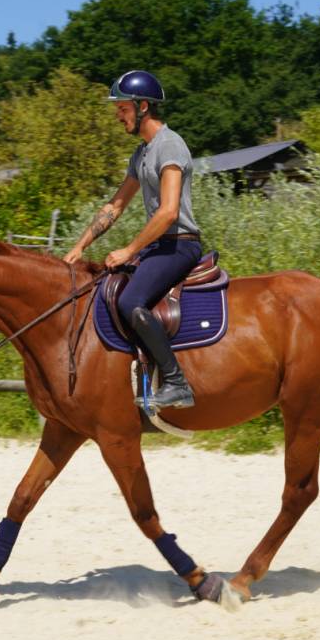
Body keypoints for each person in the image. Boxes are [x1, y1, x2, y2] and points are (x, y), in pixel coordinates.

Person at [64, 70, 201, 409]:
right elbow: (116, 205)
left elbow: (168, 212)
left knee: (130, 302)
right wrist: (79, 247)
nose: (117, 115)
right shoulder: (141, 154)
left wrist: (129, 250)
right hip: (158, 247)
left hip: (179, 245)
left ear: (142, 107)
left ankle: (176, 381)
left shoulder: (170, 145)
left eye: (122, 108)